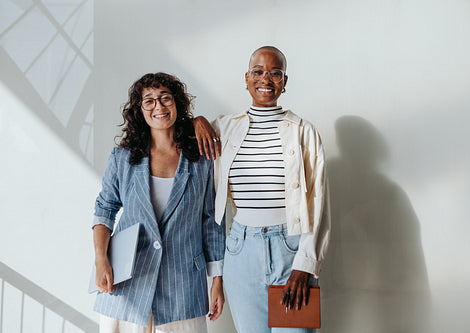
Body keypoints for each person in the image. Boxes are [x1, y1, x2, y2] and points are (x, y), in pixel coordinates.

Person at [194, 46, 331, 333]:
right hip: (241, 251)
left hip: (289, 248)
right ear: (246, 78)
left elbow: (318, 203)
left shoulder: (303, 131)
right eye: (258, 72)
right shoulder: (224, 127)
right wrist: (196, 120)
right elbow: (175, 132)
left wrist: (305, 265)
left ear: (285, 81)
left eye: (275, 73)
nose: (265, 79)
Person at [92, 72, 225, 333]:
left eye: (165, 98)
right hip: (128, 283)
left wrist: (217, 280)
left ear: (177, 104)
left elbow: (212, 221)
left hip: (183, 285)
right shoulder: (123, 158)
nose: (159, 107)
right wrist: (100, 260)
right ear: (139, 110)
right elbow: (104, 210)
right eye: (149, 101)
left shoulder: (202, 160)